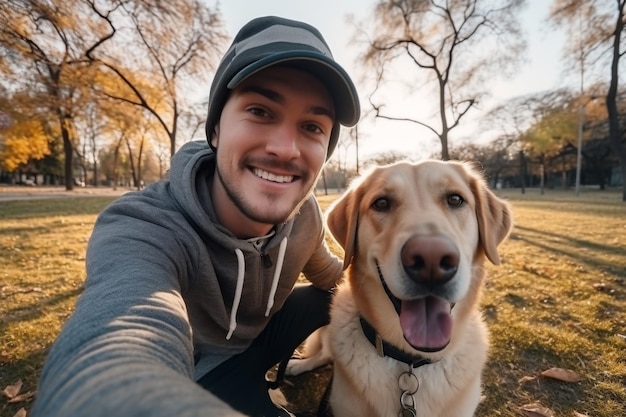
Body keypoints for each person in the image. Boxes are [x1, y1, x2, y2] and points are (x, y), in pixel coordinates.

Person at [31, 16, 360, 417]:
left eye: (311, 126)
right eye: (260, 110)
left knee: (342, 298)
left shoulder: (304, 212)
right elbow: (120, 335)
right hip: (205, 368)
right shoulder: (145, 225)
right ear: (216, 129)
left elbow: (330, 275)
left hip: (266, 333)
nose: (285, 148)